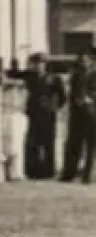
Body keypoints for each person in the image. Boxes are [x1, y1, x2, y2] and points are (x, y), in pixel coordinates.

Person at [18, 53, 66, 181]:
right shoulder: (30, 77)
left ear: (45, 64)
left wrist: (53, 107)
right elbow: (16, 74)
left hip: (48, 115)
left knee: (48, 143)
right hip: (34, 114)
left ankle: (48, 171)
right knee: (31, 143)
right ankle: (32, 171)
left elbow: (62, 97)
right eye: (37, 63)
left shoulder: (54, 79)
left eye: (41, 63)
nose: (39, 66)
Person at [58, 51, 96, 185]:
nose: (83, 63)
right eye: (81, 61)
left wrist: (89, 98)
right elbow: (71, 94)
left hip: (92, 114)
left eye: (86, 60)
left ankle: (88, 175)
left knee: (91, 146)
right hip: (77, 114)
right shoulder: (76, 76)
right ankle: (69, 173)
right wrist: (76, 101)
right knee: (73, 144)